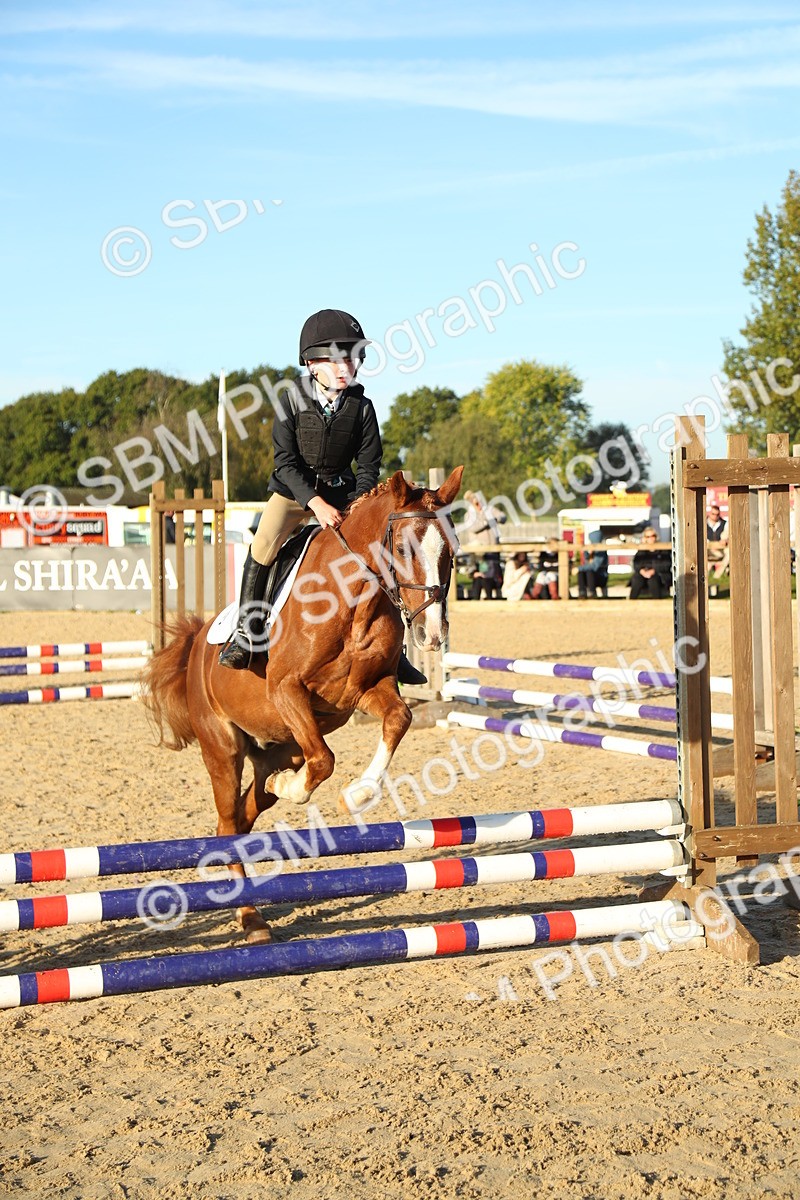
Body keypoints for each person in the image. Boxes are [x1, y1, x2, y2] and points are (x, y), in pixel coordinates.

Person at [219, 308, 425, 683]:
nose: (351, 365)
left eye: (355, 357)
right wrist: (315, 504)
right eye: (341, 358)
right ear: (313, 363)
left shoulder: (362, 408)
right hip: (294, 493)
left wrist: (359, 506)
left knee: (380, 549)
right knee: (264, 544)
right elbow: (285, 463)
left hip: (345, 494)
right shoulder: (291, 399)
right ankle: (247, 633)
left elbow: (368, 467)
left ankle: (398, 650)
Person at [462, 490, 503, 599]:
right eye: (476, 503)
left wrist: (497, 518)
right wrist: (487, 522)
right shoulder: (469, 515)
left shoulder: (489, 511)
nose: (479, 505)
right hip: (479, 552)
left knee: (490, 574)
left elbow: (502, 516)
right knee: (482, 574)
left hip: (492, 549)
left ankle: (487, 597)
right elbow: (473, 528)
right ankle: (481, 597)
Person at [629, 527, 672, 599]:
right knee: (637, 579)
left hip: (659, 575)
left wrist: (653, 571)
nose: (651, 538)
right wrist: (641, 571)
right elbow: (636, 563)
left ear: (656, 537)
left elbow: (667, 564)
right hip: (643, 575)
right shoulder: (641, 550)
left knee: (653, 580)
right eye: (648, 536)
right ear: (645, 538)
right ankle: (631, 603)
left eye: (653, 536)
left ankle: (657, 604)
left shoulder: (663, 549)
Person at [577, 530, 608, 599]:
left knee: (589, 571)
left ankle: (592, 593)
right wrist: (584, 551)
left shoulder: (601, 551)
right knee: (581, 572)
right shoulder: (592, 550)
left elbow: (594, 566)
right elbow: (586, 562)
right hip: (591, 577)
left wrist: (578, 568)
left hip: (601, 577)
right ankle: (582, 592)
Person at [706, 503, 729, 579]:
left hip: (720, 550)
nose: (715, 516)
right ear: (710, 513)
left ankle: (717, 576)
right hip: (708, 550)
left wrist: (726, 540)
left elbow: (728, 536)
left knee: (729, 552)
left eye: (717, 514)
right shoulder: (704, 523)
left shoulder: (724, 523)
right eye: (713, 514)